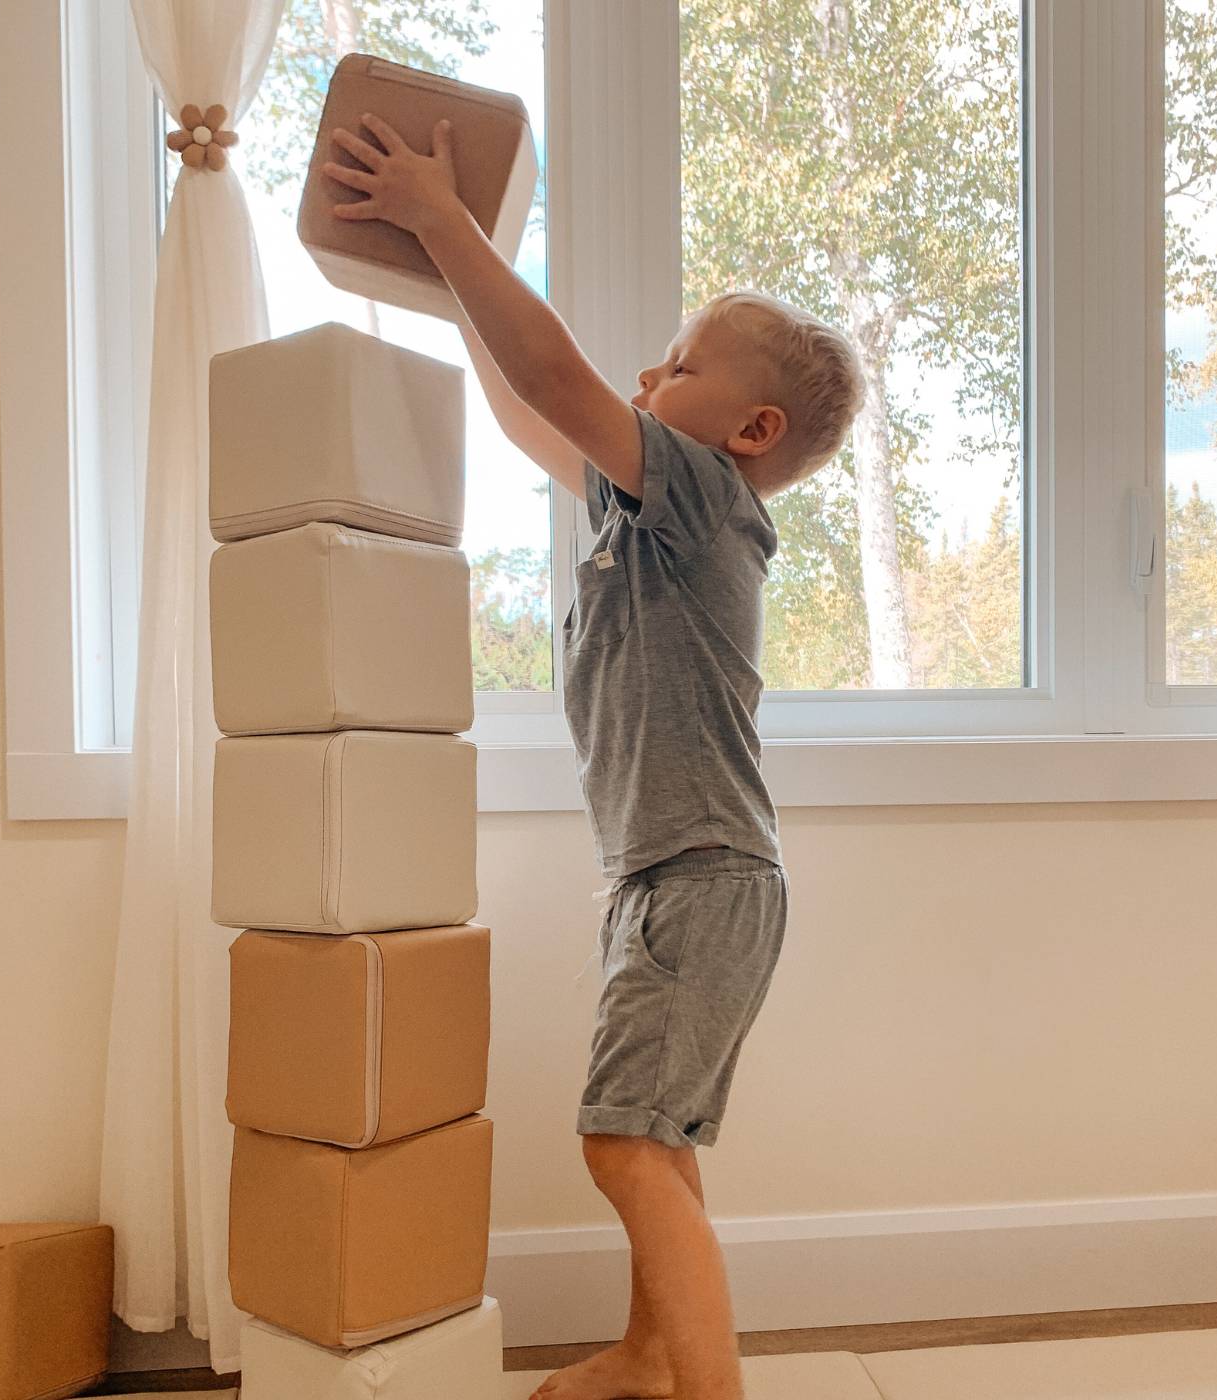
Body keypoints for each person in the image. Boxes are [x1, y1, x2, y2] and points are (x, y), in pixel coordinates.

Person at [324, 113, 865, 1400]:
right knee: (655, 1142)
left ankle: (707, 1385)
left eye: (676, 365)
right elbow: (535, 413)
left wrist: (443, 220)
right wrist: (442, 270)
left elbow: (560, 379)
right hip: (672, 877)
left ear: (748, 430)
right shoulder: (643, 511)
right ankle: (645, 1351)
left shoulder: (700, 503)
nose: (642, 376)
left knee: (620, 1146)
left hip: (699, 874)